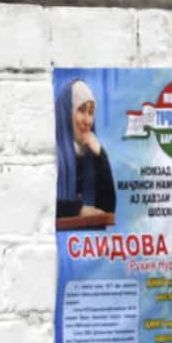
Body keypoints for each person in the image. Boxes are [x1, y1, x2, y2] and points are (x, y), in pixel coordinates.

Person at [54, 76, 116, 229]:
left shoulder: (91, 154)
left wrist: (101, 156)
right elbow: (41, 205)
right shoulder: (51, 153)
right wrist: (78, 210)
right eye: (81, 110)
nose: (88, 120)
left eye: (91, 112)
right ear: (67, 112)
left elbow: (108, 209)